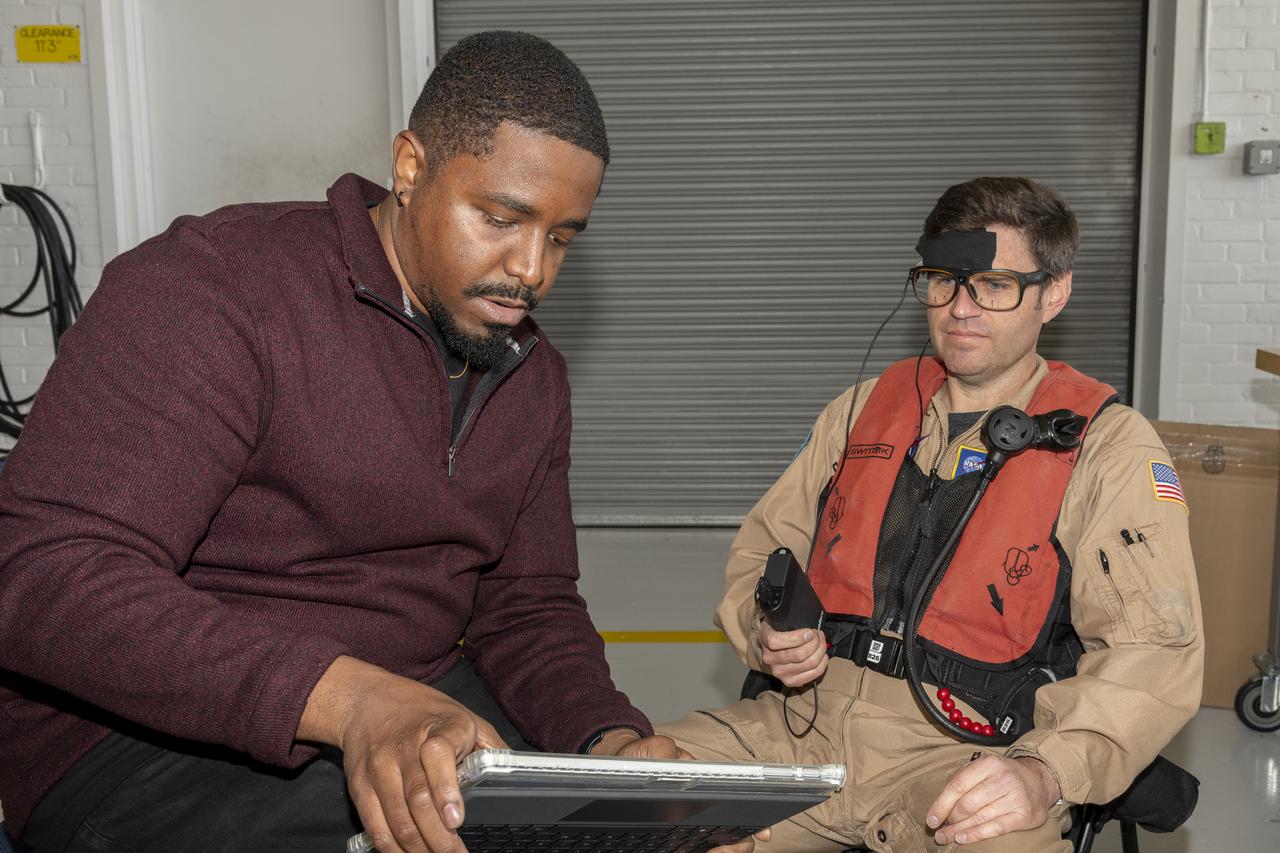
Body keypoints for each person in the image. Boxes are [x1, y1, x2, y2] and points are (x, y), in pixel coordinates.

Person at [0, 31, 755, 853]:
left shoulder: (532, 377)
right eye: (501, 218)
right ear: (409, 167)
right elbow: (46, 572)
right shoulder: (216, 290)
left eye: (562, 237)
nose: (531, 269)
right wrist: (347, 699)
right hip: (142, 745)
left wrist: (604, 743)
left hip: (414, 705)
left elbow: (527, 607)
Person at [658, 177, 1204, 852]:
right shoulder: (861, 410)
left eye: (994, 285)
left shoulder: (1107, 446)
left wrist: (1044, 770)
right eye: (943, 280)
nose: (961, 307)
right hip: (802, 725)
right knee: (621, 797)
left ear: (1053, 292)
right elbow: (760, 554)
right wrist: (764, 627)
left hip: (962, 756)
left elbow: (1151, 651)